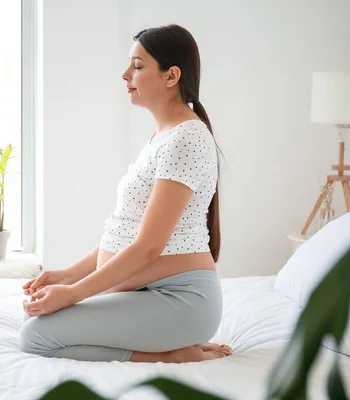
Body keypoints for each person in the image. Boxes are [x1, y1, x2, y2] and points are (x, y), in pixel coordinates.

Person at [19, 24, 230, 363]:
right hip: (152, 295)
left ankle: (173, 355)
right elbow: (126, 230)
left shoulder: (186, 139)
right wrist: (68, 275)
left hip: (180, 302)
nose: (125, 74)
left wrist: (72, 294)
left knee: (36, 337)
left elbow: (148, 246)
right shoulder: (166, 136)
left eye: (137, 65)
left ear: (171, 76)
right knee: (37, 320)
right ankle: (170, 346)